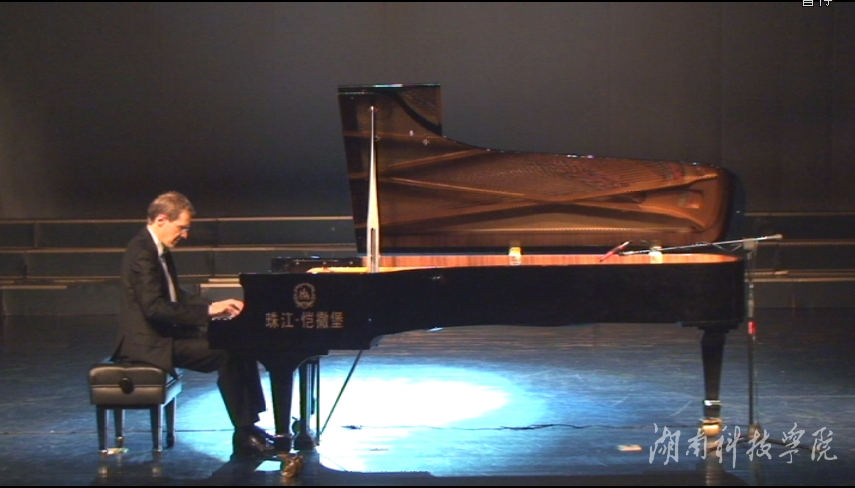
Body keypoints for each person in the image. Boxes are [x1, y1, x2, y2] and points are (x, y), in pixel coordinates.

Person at [110, 191, 275, 459]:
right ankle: (244, 434)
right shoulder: (142, 253)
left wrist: (217, 305)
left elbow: (175, 295)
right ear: (161, 219)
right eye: (182, 227)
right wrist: (208, 311)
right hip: (148, 344)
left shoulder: (156, 249)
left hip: (164, 336)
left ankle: (249, 427)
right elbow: (155, 308)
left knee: (238, 342)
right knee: (226, 352)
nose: (185, 235)